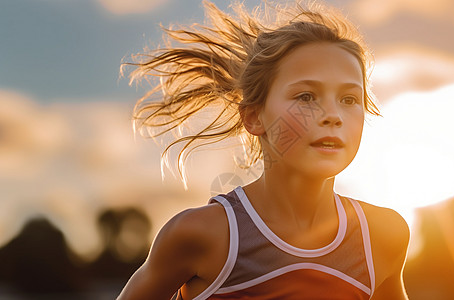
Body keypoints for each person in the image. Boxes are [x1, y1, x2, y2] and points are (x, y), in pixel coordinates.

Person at [118, 1, 410, 299]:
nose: (332, 115)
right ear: (254, 117)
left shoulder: (382, 236)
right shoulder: (202, 235)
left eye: (349, 99)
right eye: (307, 96)